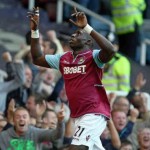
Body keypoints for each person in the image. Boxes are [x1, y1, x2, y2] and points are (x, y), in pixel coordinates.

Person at [28, 6, 116, 150]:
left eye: (77, 34)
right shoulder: (63, 58)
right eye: (72, 34)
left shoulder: (93, 56)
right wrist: (34, 30)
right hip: (78, 113)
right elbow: (37, 58)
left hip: (93, 111)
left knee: (75, 148)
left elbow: (110, 50)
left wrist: (87, 27)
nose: (72, 36)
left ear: (88, 42)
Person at [0, 106, 65, 149]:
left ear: (29, 120)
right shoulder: (3, 136)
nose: (21, 119)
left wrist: (60, 121)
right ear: (13, 121)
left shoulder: (36, 133)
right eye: (18, 117)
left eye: (24, 117)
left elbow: (57, 135)